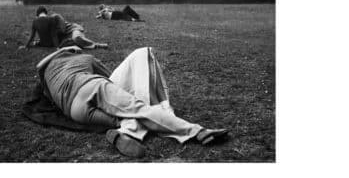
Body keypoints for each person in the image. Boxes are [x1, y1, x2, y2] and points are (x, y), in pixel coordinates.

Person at [35, 45, 229, 158]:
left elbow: (39, 65)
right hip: (90, 87)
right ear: (74, 52)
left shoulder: (47, 72)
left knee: (123, 118)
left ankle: (120, 133)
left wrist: (62, 50)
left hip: (74, 111)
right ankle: (198, 131)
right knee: (139, 110)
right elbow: (109, 78)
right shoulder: (85, 57)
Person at [19, 6, 108, 50]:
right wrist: (28, 45)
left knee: (76, 38)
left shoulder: (55, 17)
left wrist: (56, 45)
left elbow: (62, 30)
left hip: (73, 29)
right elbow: (35, 36)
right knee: (71, 44)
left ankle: (97, 45)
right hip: (65, 37)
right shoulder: (42, 21)